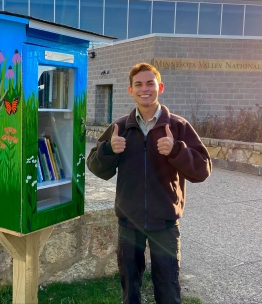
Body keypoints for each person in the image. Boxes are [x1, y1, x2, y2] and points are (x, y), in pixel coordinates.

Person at [87, 62, 211, 304]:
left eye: (150, 83)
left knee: (168, 289)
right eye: (138, 84)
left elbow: (202, 170)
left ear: (160, 87)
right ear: (130, 90)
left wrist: (176, 150)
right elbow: (94, 165)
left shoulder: (177, 126)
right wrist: (109, 151)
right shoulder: (120, 127)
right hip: (129, 223)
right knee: (130, 289)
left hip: (164, 223)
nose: (145, 89)